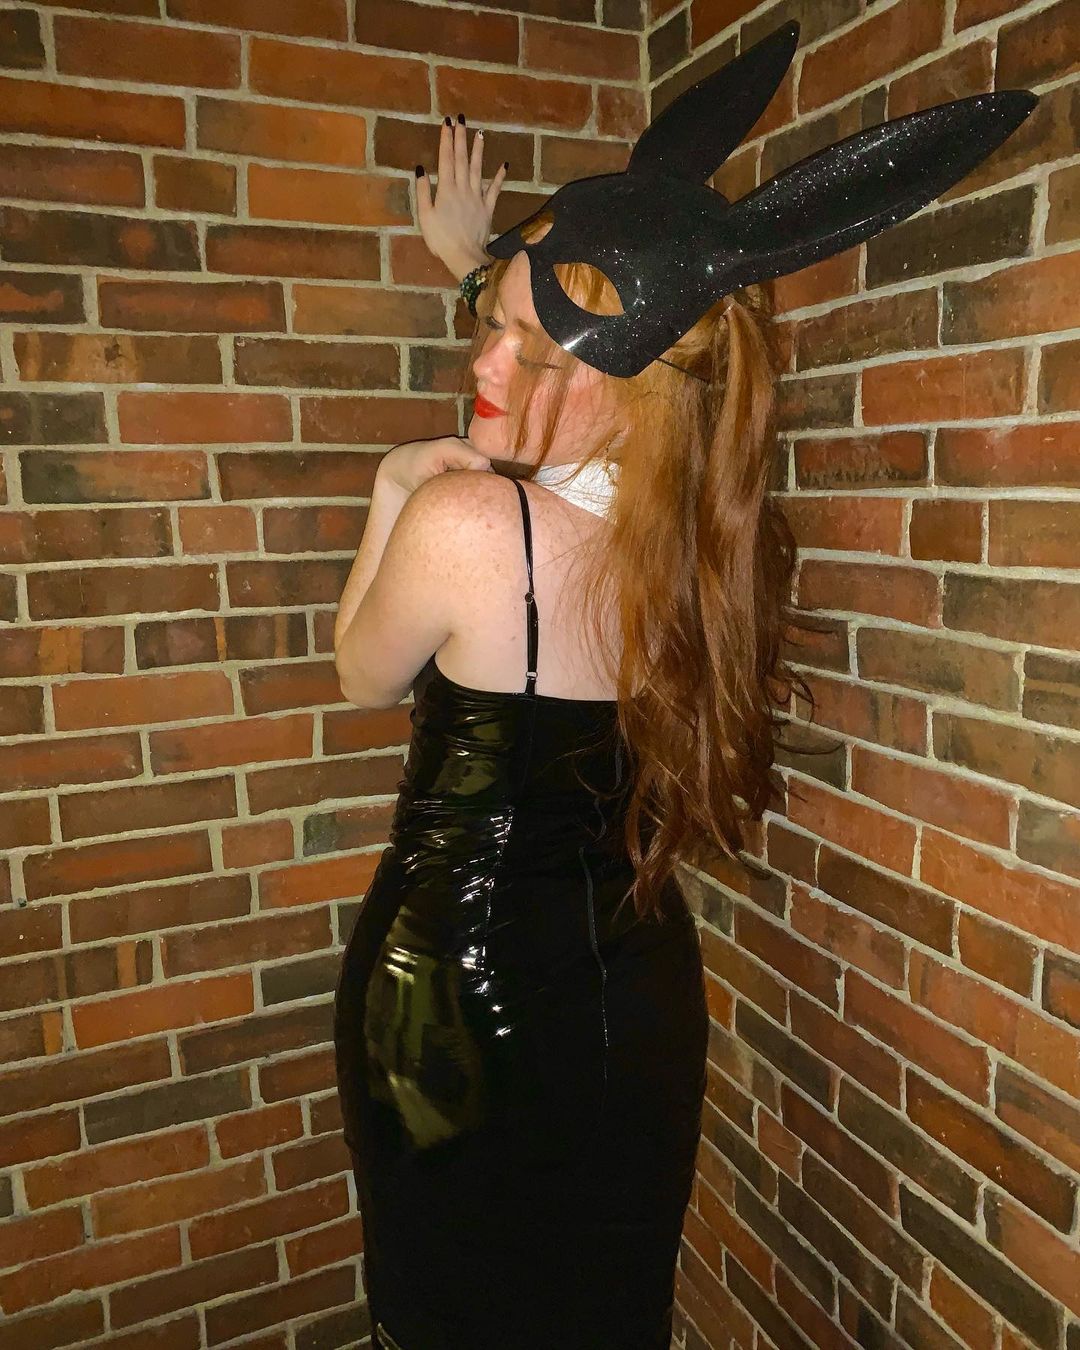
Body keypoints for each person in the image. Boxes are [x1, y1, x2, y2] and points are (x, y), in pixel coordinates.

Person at [331, 24, 1036, 1349]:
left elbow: (362, 673)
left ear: (635, 385)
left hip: (454, 1009)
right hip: (637, 999)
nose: (483, 367)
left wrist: (390, 484)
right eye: (489, 327)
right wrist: (481, 269)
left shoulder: (464, 526)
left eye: (530, 352)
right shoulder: (716, 549)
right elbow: (585, 383)